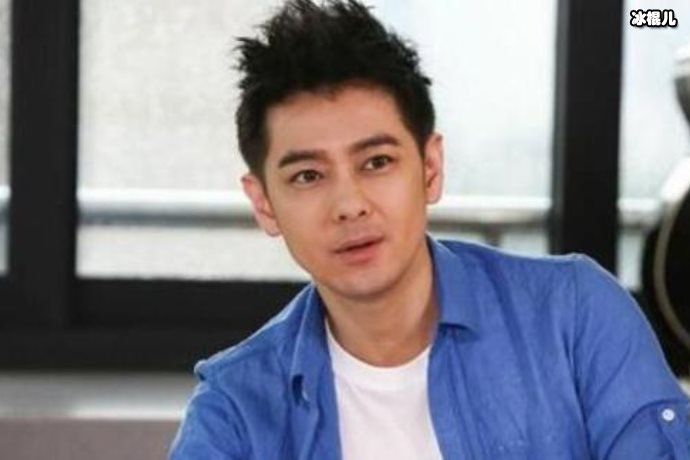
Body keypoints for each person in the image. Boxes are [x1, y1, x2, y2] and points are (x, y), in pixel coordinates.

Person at [169, 1, 690, 458]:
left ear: (430, 168)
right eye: (308, 175)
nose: (349, 206)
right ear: (264, 203)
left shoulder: (573, 316)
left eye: (376, 162)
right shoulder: (235, 411)